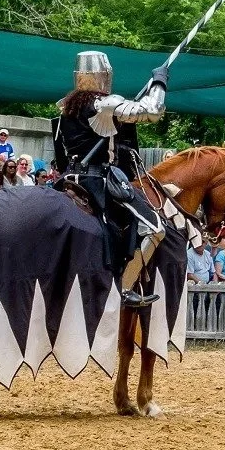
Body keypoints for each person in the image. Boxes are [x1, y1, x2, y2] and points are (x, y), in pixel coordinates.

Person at [54, 51, 169, 308]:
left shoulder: (67, 106)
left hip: (68, 177)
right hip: (97, 179)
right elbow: (153, 111)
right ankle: (125, 288)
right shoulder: (102, 104)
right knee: (154, 227)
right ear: (104, 76)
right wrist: (159, 82)